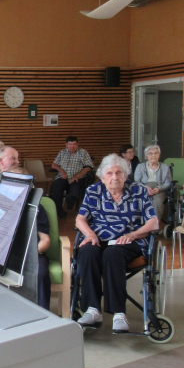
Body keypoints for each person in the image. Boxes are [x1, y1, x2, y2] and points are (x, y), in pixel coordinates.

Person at [75, 154, 158, 333]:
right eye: (110, 173)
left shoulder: (139, 191)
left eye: (119, 172)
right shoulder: (93, 191)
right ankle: (92, 310)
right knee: (87, 252)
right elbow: (80, 219)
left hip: (129, 240)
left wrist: (133, 235)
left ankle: (119, 313)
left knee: (112, 254)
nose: (115, 177)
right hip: (98, 237)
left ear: (126, 175)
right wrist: (90, 234)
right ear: (102, 177)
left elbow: (153, 222)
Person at [8, 167, 51, 311]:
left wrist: (34, 251)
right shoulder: (3, 205)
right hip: (8, 254)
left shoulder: (37, 208)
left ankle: (44, 313)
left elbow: (45, 239)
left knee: (41, 273)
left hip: (33, 252)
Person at [50, 136, 94, 218]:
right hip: (63, 176)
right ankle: (59, 211)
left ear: (78, 144)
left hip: (77, 177)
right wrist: (62, 172)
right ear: (66, 144)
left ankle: (70, 201)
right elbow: (54, 165)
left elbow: (88, 167)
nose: (72, 146)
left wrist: (77, 176)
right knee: (56, 189)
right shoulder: (62, 152)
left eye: (74, 144)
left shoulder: (83, 152)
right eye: (70, 144)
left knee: (74, 192)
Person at [133, 145, 172, 220]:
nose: (153, 155)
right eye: (150, 153)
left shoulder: (165, 167)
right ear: (146, 156)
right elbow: (136, 181)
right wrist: (145, 188)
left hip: (159, 190)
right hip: (144, 188)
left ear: (159, 155)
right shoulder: (140, 166)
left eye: (156, 153)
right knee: (140, 201)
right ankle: (141, 222)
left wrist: (159, 188)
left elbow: (168, 182)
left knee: (157, 202)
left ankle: (154, 223)